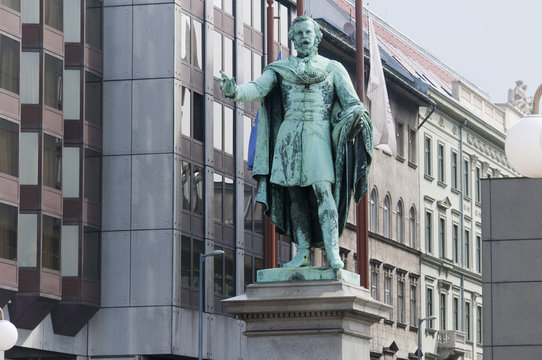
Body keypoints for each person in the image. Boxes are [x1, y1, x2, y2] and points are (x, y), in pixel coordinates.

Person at [219, 16, 372, 269]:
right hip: (288, 136)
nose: (303, 37)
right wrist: (234, 91)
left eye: (307, 32)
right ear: (292, 37)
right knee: (295, 196)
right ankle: (301, 252)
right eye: (298, 33)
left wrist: (355, 115)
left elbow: (353, 103)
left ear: (317, 37)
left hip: (318, 135)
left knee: (323, 190)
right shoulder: (279, 69)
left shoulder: (333, 68)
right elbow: (257, 88)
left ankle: (332, 251)